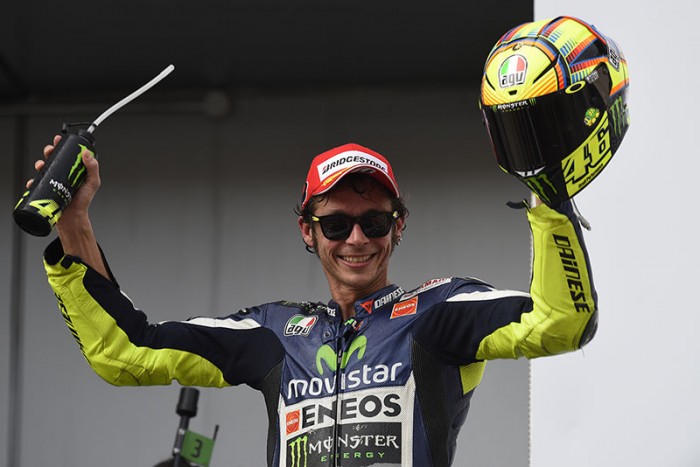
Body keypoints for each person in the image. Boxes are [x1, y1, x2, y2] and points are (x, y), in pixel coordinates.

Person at [37, 16, 628, 467]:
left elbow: (562, 323)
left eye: (375, 222)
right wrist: (74, 221)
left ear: (399, 226)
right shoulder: (273, 333)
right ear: (308, 230)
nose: (357, 239)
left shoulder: (439, 312)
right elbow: (126, 353)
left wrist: (549, 197)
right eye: (337, 224)